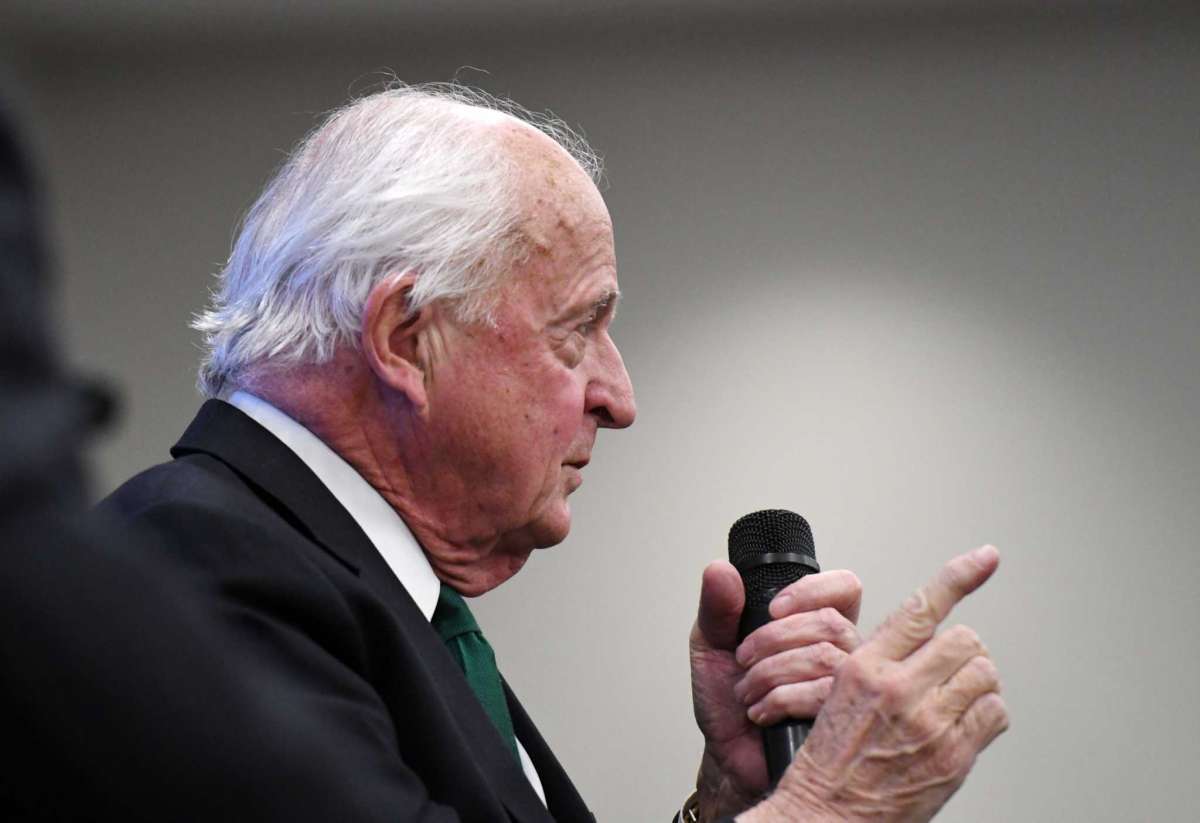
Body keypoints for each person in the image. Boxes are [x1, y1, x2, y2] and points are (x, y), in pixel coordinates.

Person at [9, 83, 1007, 821]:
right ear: (404, 337)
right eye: (578, 331)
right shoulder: (201, 559)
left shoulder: (354, 581)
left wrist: (731, 797)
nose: (617, 397)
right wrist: (829, 808)